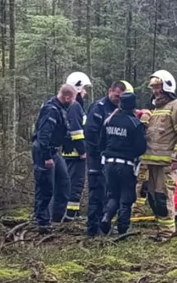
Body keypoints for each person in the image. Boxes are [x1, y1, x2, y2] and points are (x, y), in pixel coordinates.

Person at [141, 70, 177, 240]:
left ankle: (167, 232)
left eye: (159, 87)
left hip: (167, 163)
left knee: (164, 196)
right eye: (154, 88)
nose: (156, 91)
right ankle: (161, 230)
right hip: (151, 161)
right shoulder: (156, 108)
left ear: (167, 86)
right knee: (153, 197)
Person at [98, 83, 147, 238]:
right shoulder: (135, 124)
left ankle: (106, 218)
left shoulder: (109, 120)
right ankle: (122, 230)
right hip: (126, 166)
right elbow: (141, 148)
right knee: (126, 198)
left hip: (109, 164)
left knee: (113, 195)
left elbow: (101, 143)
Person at [84, 80, 130, 235]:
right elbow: (91, 134)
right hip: (97, 158)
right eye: (117, 96)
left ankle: (104, 227)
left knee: (109, 194)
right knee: (97, 192)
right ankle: (93, 229)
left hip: (112, 160)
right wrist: (99, 154)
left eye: (121, 98)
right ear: (110, 91)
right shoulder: (99, 108)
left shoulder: (121, 109)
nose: (119, 100)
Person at [31, 84, 77, 232]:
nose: (74, 101)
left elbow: (60, 130)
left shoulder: (60, 108)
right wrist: (46, 157)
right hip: (45, 152)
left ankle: (57, 218)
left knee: (64, 183)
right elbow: (43, 135)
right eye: (74, 98)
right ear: (67, 97)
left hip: (55, 152)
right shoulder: (50, 109)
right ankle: (42, 222)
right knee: (45, 187)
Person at [60, 72, 92, 222]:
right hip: (75, 153)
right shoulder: (75, 106)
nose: (85, 92)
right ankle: (70, 215)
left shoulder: (72, 106)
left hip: (70, 152)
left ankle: (73, 212)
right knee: (75, 184)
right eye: (84, 88)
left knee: (73, 183)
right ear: (78, 88)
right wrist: (82, 151)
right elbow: (77, 131)